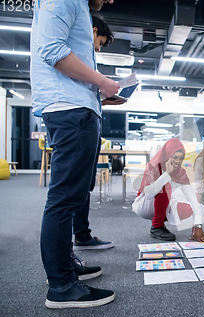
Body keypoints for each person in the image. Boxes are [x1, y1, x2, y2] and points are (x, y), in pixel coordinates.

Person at [31, 0, 118, 308]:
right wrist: (103, 82)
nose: (108, 1)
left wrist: (100, 95)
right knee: (64, 198)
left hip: (78, 107)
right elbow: (52, 51)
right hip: (70, 110)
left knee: (73, 197)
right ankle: (62, 285)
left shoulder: (79, 5)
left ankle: (65, 267)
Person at [71, 14, 118, 252]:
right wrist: (103, 83)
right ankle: (79, 237)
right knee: (75, 186)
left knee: (85, 184)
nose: (98, 49)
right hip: (77, 120)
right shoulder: (74, 54)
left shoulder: (84, 58)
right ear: (93, 30)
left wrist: (105, 101)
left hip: (90, 118)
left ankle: (82, 234)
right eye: (99, 42)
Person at [133, 138, 204, 242]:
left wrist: (198, 227)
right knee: (166, 186)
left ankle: (160, 222)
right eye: (175, 157)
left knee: (187, 209)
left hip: (163, 204)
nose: (178, 161)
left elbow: (193, 200)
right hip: (145, 204)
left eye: (181, 158)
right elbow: (149, 195)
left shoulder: (181, 172)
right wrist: (167, 174)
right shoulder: (154, 166)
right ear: (167, 155)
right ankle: (157, 227)